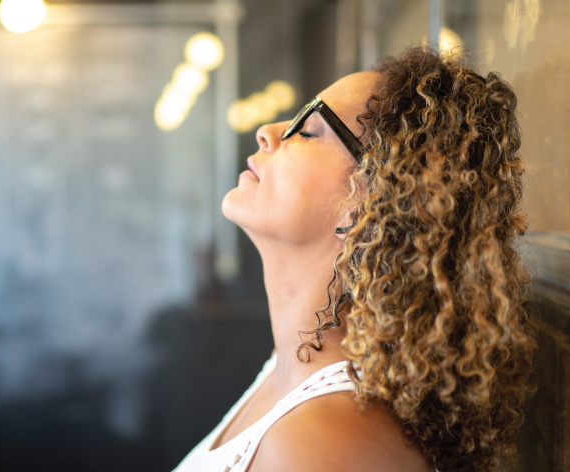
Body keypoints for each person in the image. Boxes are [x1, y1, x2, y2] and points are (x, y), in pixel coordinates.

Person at [173, 46, 535, 472]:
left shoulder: (323, 445)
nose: (267, 132)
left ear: (374, 201)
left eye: (307, 130)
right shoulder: (288, 372)